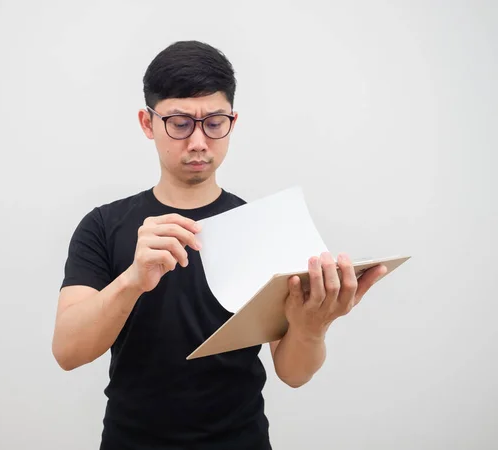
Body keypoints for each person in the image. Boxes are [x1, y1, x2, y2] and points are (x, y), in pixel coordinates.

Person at [51, 40, 387, 450]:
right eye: (179, 122)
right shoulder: (102, 226)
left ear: (233, 121)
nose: (198, 141)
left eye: (214, 122)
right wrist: (133, 280)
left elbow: (294, 373)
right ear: (147, 122)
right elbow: (67, 351)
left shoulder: (263, 227)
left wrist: (312, 327)